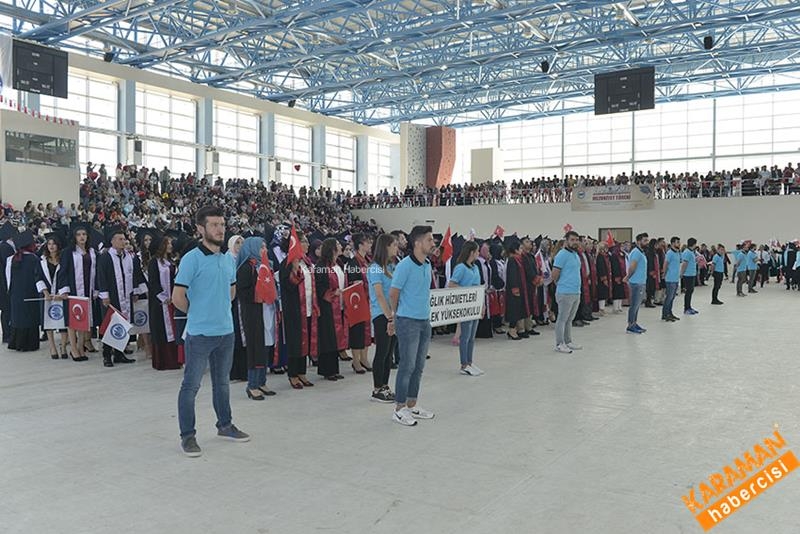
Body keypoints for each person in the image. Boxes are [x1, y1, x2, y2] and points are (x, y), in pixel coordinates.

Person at [174, 206, 250, 458]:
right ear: (200, 228)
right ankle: (188, 436)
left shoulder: (228, 259)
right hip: (199, 335)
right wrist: (199, 313)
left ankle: (225, 425)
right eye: (214, 225)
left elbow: (231, 290)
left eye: (222, 224)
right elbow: (177, 297)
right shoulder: (191, 259)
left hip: (226, 332)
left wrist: (220, 312)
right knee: (191, 386)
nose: (220, 229)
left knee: (222, 384)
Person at [389, 225, 436, 427]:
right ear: (417, 243)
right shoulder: (404, 266)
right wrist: (395, 317)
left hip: (424, 320)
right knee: (406, 366)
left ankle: (412, 404)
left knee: (419, 366)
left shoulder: (427, 264)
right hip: (407, 321)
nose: (433, 243)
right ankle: (399, 409)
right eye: (429, 240)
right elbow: (394, 293)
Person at [236, 236, 279, 400]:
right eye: (261, 247)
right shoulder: (246, 268)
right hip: (253, 313)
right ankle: (252, 384)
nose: (265, 250)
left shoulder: (264, 266)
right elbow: (243, 292)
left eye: (265, 247)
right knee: (255, 347)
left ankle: (262, 381)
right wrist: (259, 293)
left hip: (266, 311)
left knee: (265, 346)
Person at [96, 226, 146, 368]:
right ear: (112, 241)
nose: (123, 241)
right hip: (111, 297)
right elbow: (102, 277)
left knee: (124, 323)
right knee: (109, 325)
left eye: (124, 239)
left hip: (126, 295)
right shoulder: (106, 257)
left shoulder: (129, 256)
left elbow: (135, 274)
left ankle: (119, 353)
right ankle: (107, 355)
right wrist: (104, 295)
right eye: (120, 239)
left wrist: (136, 291)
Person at [279, 230, 318, 390]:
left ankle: (302, 372)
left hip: (308, 307)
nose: (307, 244)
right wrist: (294, 270)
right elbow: (288, 286)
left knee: (305, 341)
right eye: (304, 241)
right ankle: (293, 374)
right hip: (294, 310)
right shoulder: (287, 264)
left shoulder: (307, 262)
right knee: (295, 342)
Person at [58, 223, 97, 362]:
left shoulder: (92, 252)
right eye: (79, 234)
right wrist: (64, 290)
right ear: (74, 237)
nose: (82, 237)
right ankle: (73, 348)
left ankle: (81, 347)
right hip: (73, 290)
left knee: (83, 320)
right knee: (72, 320)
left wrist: (96, 289)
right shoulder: (68, 252)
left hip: (88, 289)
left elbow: (95, 272)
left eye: (84, 234)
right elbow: (62, 273)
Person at [367, 234, 398, 403]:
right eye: (394, 245)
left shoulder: (391, 266)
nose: (396, 247)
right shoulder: (375, 268)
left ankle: (385, 386)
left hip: (393, 314)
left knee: (389, 353)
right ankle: (377, 388)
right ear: (385, 246)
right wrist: (389, 318)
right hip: (382, 315)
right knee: (382, 351)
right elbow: (379, 294)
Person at [448, 241, 484, 376]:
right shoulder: (460, 268)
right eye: (477, 251)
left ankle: (470, 361)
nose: (478, 254)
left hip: (476, 304)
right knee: (465, 335)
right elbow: (451, 284)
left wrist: (482, 305)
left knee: (472, 336)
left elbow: (479, 287)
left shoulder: (475, 268)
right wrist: (467, 291)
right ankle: (463, 364)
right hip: (465, 305)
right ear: (471, 252)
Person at [314, 238, 348, 382]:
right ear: (332, 248)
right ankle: (327, 370)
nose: (341, 247)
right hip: (327, 306)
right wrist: (333, 293)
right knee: (328, 338)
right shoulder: (321, 265)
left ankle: (334, 368)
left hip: (338, 304)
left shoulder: (338, 264)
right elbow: (320, 286)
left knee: (335, 338)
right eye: (338, 245)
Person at [148, 234, 181, 370]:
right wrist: (163, 297)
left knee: (172, 329)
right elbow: (153, 282)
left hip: (172, 301)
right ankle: (163, 361)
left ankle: (174, 360)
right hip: (160, 303)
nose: (170, 246)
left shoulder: (171, 262)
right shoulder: (154, 262)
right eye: (167, 244)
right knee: (161, 330)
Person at [6, 231, 41, 351]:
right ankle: (29, 344)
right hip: (31, 292)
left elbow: (8, 278)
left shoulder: (11, 259)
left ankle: (16, 343)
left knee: (17, 317)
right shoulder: (34, 259)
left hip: (16, 292)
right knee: (30, 317)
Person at [37, 233, 69, 359]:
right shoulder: (42, 261)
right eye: (49, 244)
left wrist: (62, 293)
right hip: (47, 296)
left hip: (61, 294)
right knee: (48, 320)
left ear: (58, 246)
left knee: (63, 320)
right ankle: (52, 347)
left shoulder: (64, 260)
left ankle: (63, 346)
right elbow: (38, 277)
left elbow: (66, 276)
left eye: (54, 244)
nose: (51, 246)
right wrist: (45, 292)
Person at [551, 231, 582, 354]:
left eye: (576, 240)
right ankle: (559, 343)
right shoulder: (562, 255)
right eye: (572, 240)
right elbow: (554, 275)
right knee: (562, 319)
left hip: (576, 291)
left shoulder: (575, 254)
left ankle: (568, 341)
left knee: (569, 319)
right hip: (565, 292)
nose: (575, 242)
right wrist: (562, 284)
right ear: (566, 241)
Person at [346, 233, 373, 373]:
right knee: (357, 330)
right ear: (360, 245)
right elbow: (353, 282)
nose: (370, 245)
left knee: (366, 330)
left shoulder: (367, 261)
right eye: (367, 242)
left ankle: (364, 357)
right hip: (357, 301)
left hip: (368, 300)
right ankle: (355, 360)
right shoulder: (353, 262)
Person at [503, 236, 528, 341]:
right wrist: (515, 288)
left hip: (520, 288)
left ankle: (516, 329)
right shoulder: (512, 260)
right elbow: (512, 275)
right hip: (514, 290)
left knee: (518, 310)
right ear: (516, 250)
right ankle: (511, 330)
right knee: (514, 310)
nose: (522, 251)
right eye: (520, 248)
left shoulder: (518, 260)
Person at [623, 233, 649, 334]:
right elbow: (632, 266)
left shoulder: (641, 252)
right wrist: (628, 277)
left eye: (647, 240)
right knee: (634, 305)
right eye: (645, 240)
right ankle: (630, 326)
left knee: (637, 305)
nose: (647, 242)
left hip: (641, 282)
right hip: (636, 283)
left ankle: (634, 323)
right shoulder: (636, 252)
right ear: (638, 241)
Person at [0, 221, 17, 344]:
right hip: (4, 282)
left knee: (6, 309)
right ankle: (7, 335)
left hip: (4, 281)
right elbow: (7, 265)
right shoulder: (5, 247)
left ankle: (8, 334)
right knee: (6, 308)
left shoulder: (5, 245)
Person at [661, 237, 682, 322]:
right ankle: (665, 314)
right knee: (669, 297)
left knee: (672, 297)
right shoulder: (669, 253)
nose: (679, 244)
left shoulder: (677, 252)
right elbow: (665, 264)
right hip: (670, 279)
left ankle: (670, 313)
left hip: (676, 278)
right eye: (677, 242)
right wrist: (664, 274)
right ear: (673, 243)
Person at [681, 237, 699, 315]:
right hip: (687, 275)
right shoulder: (687, 252)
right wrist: (682, 273)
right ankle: (686, 308)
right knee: (688, 291)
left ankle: (689, 307)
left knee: (691, 291)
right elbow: (684, 263)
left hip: (692, 274)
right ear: (694, 244)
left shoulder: (691, 252)